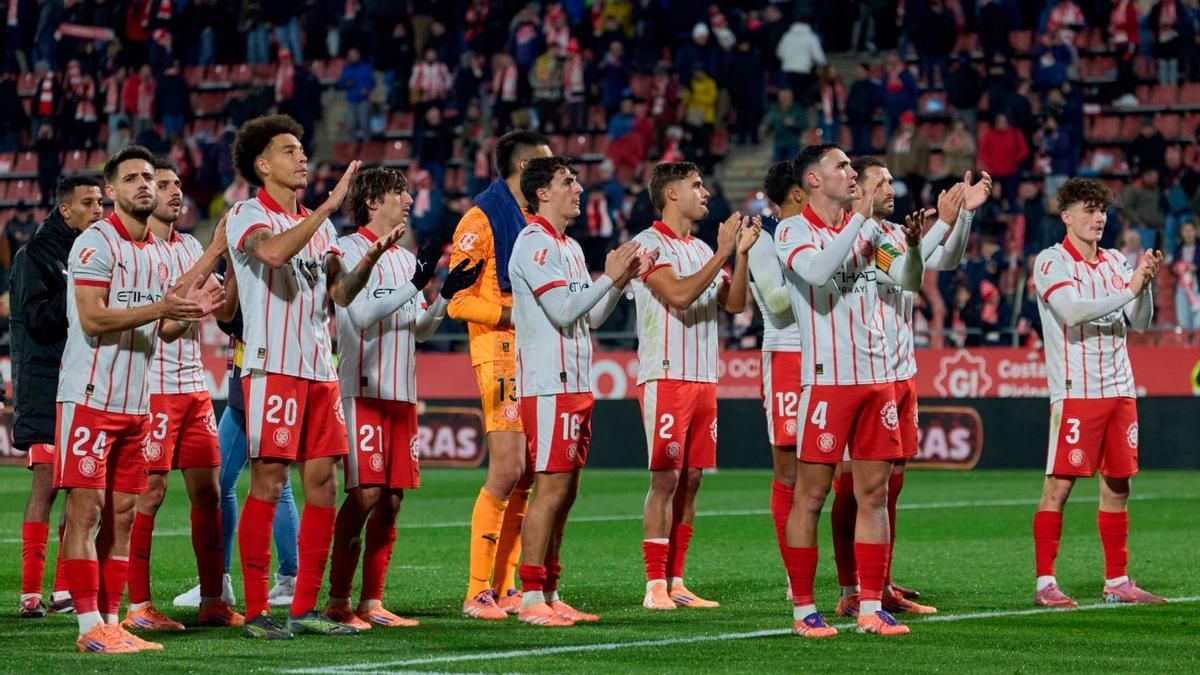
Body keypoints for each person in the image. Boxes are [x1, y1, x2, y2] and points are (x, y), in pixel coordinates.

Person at [225, 114, 397, 639]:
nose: (302, 157)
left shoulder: (321, 229)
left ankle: (305, 608)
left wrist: (369, 259)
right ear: (262, 164)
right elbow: (273, 253)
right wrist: (325, 206)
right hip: (272, 367)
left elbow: (340, 293)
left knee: (324, 485)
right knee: (270, 481)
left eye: (302, 149)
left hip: (321, 371)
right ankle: (258, 611)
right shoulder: (247, 214)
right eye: (289, 150)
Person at [57, 145, 222, 653]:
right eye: (131, 178)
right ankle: (88, 627)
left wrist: (189, 313)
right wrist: (161, 308)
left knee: (123, 515)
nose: (144, 185)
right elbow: (93, 318)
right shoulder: (95, 242)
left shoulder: (156, 253)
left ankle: (113, 621)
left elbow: (164, 329)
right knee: (86, 512)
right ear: (111, 191)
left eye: (149, 177)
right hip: (90, 398)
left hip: (136, 404)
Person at [773, 144, 925, 637]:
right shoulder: (793, 231)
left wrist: (914, 247)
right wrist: (860, 219)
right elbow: (818, 273)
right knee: (811, 496)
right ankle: (803, 610)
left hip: (877, 381)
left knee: (874, 495)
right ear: (814, 180)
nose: (851, 173)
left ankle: (870, 607)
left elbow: (907, 279)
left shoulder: (873, 232)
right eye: (840, 166)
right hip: (828, 383)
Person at [828, 158, 990, 619]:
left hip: (901, 373)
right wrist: (939, 227)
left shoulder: (897, 233)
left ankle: (879, 582)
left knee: (889, 487)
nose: (890, 187)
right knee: (854, 489)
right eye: (880, 181)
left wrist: (963, 217)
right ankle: (852, 588)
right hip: (861, 375)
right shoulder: (859, 239)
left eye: (891, 180)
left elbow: (947, 259)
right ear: (856, 190)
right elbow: (904, 272)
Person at [322, 167, 482, 629]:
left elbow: (421, 331)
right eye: (399, 193)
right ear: (373, 202)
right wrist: (416, 283)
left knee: (391, 500)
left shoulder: (406, 257)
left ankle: (372, 602)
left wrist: (444, 295)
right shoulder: (348, 250)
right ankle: (337, 601)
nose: (409, 201)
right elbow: (359, 313)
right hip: (363, 390)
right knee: (365, 494)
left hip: (402, 393)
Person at [509, 156, 651, 626]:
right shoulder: (533, 243)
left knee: (565, 492)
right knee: (549, 489)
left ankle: (550, 590)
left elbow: (590, 316)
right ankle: (530, 596)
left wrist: (620, 280)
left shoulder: (568, 246)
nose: (578, 188)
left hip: (575, 383)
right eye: (567, 181)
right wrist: (609, 275)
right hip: (548, 385)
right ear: (542, 193)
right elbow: (564, 310)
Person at [1031, 178, 1166, 609]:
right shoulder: (1051, 261)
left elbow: (1139, 322)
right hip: (1077, 391)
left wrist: (1144, 284)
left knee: (1118, 485)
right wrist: (1129, 289)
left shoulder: (1115, 261)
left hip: (1120, 390)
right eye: (1089, 210)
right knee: (1058, 486)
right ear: (1066, 217)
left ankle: (1117, 581)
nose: (1098, 218)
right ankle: (1045, 583)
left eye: (1102, 210)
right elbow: (1071, 311)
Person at [121, 161, 242, 632]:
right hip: (153, 390)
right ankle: (138, 606)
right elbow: (167, 322)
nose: (175, 192)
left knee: (209, 493)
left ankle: (213, 600)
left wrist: (233, 267)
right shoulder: (139, 252)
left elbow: (222, 311)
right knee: (149, 495)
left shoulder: (190, 245)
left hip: (194, 391)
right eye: (163, 184)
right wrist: (215, 250)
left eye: (177, 184)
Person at [632, 161, 758, 611]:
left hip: (704, 378)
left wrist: (740, 255)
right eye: (696, 186)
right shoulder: (647, 245)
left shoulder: (702, 248)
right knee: (665, 477)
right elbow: (680, 295)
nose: (705, 193)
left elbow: (735, 303)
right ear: (671, 194)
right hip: (666, 376)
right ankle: (654, 585)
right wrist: (722, 254)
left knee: (693, 479)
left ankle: (677, 580)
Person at [449, 130, 552, 620]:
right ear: (525, 166)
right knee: (507, 469)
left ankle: (505, 585)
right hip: (500, 350)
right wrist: (513, 314)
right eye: (546, 164)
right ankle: (476, 592)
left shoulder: (534, 219)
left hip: (533, 352)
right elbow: (457, 299)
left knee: (526, 474)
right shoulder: (481, 219)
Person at [12, 174, 104, 618]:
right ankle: (30, 592)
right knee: (47, 481)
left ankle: (65, 590)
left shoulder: (96, 250)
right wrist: (79, 287)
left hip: (83, 380)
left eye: (101, 202)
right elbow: (35, 321)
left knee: (81, 483)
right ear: (65, 210)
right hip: (45, 384)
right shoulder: (35, 255)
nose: (98, 210)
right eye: (88, 203)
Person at [752, 163, 805, 592]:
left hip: (829, 355)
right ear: (798, 192)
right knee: (789, 472)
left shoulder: (822, 232)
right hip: (786, 354)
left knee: (843, 473)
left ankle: (856, 577)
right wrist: (825, 268)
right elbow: (777, 302)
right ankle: (795, 573)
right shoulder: (763, 237)